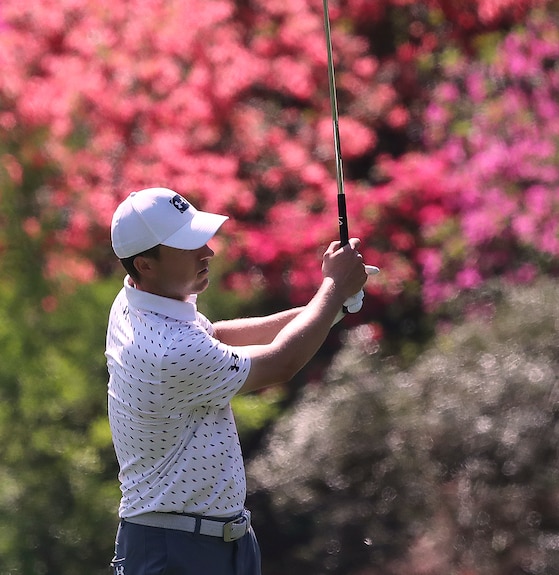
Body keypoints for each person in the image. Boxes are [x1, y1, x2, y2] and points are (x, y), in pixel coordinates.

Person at [105, 187, 371, 575]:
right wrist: (332, 289)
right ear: (145, 264)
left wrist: (333, 304)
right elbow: (281, 363)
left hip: (218, 543)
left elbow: (216, 336)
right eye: (188, 245)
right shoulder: (166, 350)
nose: (207, 252)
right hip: (176, 553)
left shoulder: (139, 300)